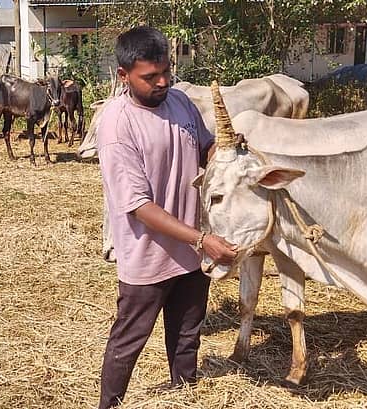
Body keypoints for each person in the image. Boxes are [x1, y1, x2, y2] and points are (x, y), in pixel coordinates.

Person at [96, 26, 238, 409]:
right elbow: (139, 206)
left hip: (191, 253)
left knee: (188, 333)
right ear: (123, 76)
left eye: (166, 72)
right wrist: (200, 239)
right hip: (148, 256)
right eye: (150, 77)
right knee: (129, 340)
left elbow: (204, 146)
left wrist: (226, 155)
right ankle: (109, 404)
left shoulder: (179, 102)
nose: (162, 82)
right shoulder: (116, 125)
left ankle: (184, 394)